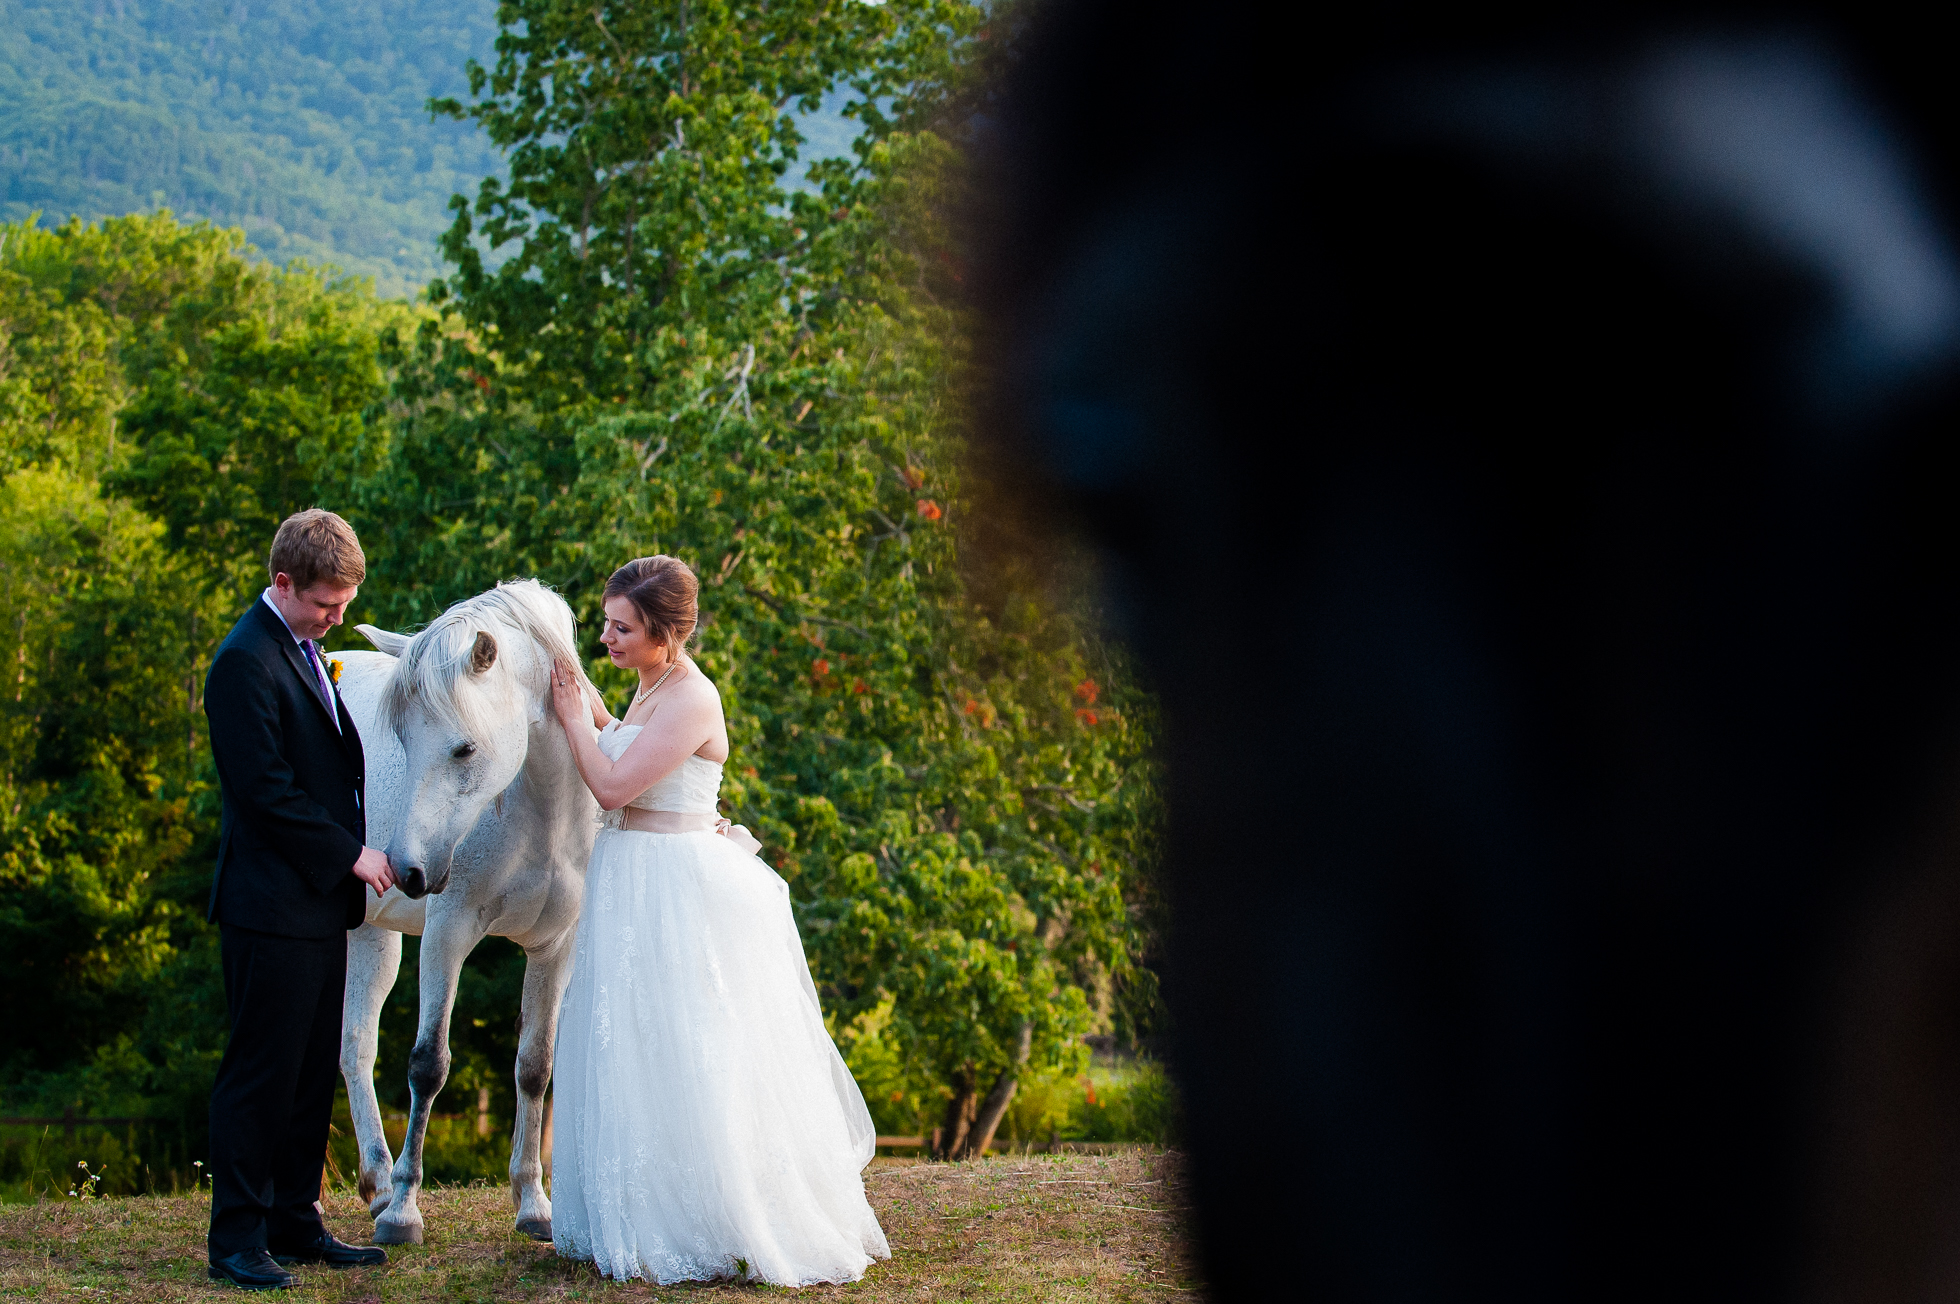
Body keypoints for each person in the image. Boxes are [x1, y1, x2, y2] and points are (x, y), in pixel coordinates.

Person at [544, 555, 889, 1286]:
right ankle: (632, 1210)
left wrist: (577, 722)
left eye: (622, 627)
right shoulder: (650, 685)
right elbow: (625, 744)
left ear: (667, 635)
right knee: (628, 1039)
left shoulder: (693, 697)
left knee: (690, 1043)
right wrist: (593, 709)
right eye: (606, 621)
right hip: (630, 880)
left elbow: (610, 785)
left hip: (673, 886)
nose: (606, 636)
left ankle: (714, 1214)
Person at [202, 509, 395, 1290]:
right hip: (267, 908)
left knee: (313, 1070)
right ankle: (236, 1241)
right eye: (326, 603)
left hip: (316, 906)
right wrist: (351, 853)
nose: (338, 618)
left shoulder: (303, 648)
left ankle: (295, 1218)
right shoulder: (243, 662)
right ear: (283, 583)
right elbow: (266, 795)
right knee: (261, 1075)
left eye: (344, 602)